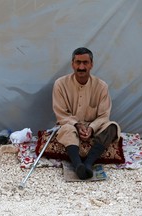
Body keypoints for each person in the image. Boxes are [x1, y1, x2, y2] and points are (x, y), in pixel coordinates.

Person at [52, 47, 121, 180]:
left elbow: (104, 116)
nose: (81, 67)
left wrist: (91, 128)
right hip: (70, 125)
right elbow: (61, 114)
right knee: (66, 129)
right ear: (72, 64)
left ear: (91, 64)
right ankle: (78, 165)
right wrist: (77, 125)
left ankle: (88, 163)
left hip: (93, 126)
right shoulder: (60, 84)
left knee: (113, 126)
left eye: (85, 63)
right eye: (78, 62)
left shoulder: (101, 86)